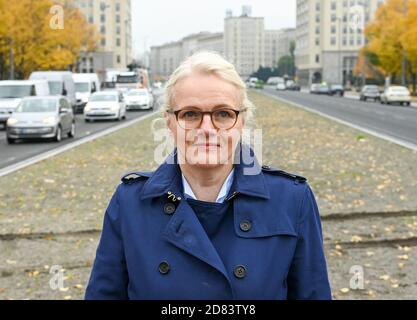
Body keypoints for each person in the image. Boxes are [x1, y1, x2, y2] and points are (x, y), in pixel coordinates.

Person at [85, 51, 331, 300]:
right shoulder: (130, 203)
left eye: (223, 114)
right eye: (190, 114)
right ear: (169, 122)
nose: (206, 129)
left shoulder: (291, 200)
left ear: (242, 121)